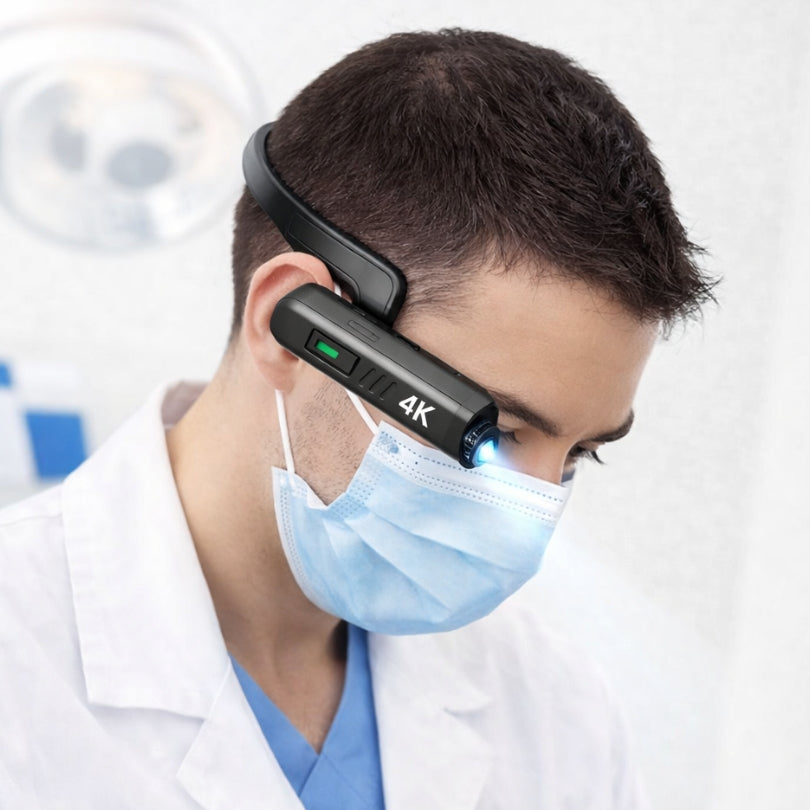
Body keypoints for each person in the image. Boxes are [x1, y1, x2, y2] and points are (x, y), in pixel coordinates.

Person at [0, 29, 714, 810]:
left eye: (578, 455)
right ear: (294, 326)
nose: (529, 526)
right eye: (496, 434)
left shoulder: (553, 713)